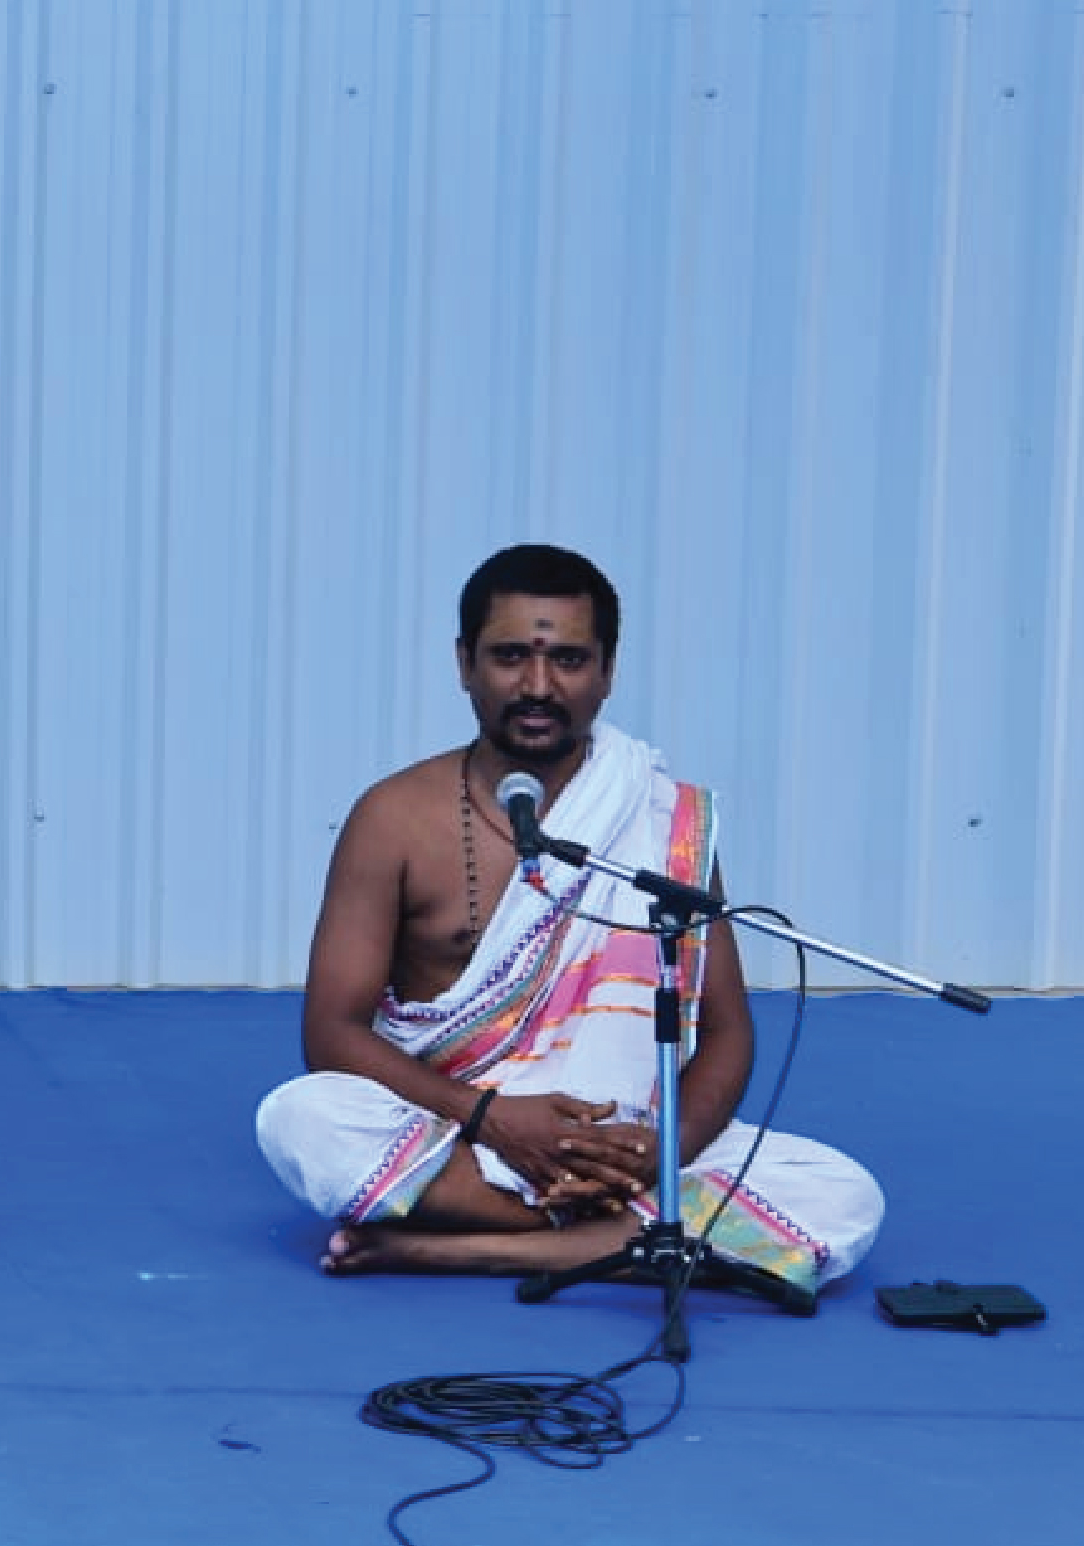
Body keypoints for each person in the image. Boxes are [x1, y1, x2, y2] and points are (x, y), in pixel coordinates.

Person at [256, 542, 880, 1284]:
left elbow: (725, 1030)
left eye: (570, 660)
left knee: (845, 1197)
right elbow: (331, 1033)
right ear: (464, 664)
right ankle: (627, 1238)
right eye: (510, 656)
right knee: (302, 1120)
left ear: (607, 672)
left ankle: (477, 1247)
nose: (538, 686)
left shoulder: (662, 819)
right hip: (465, 1133)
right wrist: (493, 1119)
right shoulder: (392, 819)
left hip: (627, 1144)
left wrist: (661, 1153)